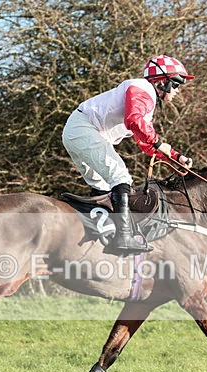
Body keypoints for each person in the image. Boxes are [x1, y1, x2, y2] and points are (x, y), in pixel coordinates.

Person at [62, 55, 194, 254]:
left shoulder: (145, 101)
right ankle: (123, 236)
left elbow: (146, 144)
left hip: (79, 131)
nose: (177, 91)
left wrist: (175, 157)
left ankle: (102, 231)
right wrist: (159, 144)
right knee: (121, 177)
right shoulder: (143, 88)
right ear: (162, 81)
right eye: (176, 85)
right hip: (84, 129)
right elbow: (134, 121)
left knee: (104, 186)